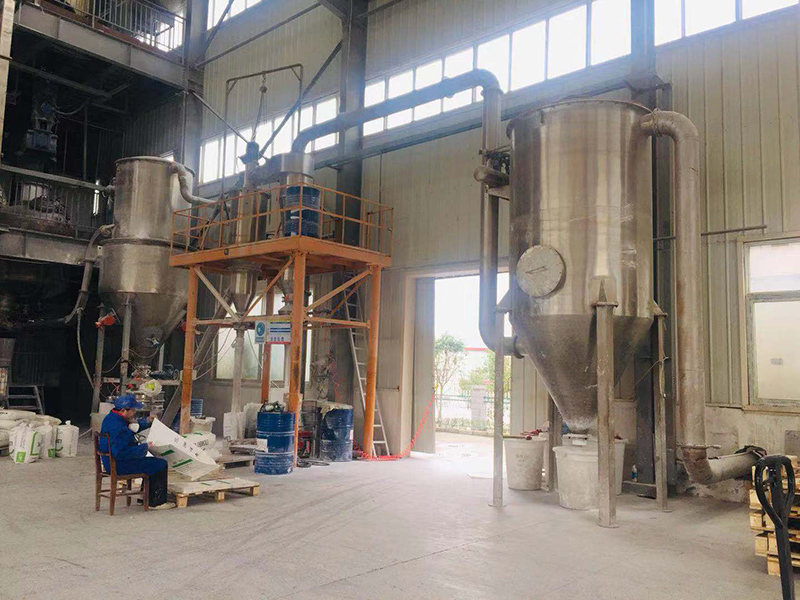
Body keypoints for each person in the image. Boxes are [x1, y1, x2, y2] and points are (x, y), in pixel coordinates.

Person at [99, 395, 175, 510]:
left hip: (111, 461)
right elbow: (120, 453)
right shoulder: (118, 427)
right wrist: (144, 447)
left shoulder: (113, 418)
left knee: (151, 462)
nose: (134, 413)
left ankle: (145, 498)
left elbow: (131, 428)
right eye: (133, 410)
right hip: (118, 464)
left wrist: (147, 422)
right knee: (159, 464)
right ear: (124, 410)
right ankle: (156, 502)